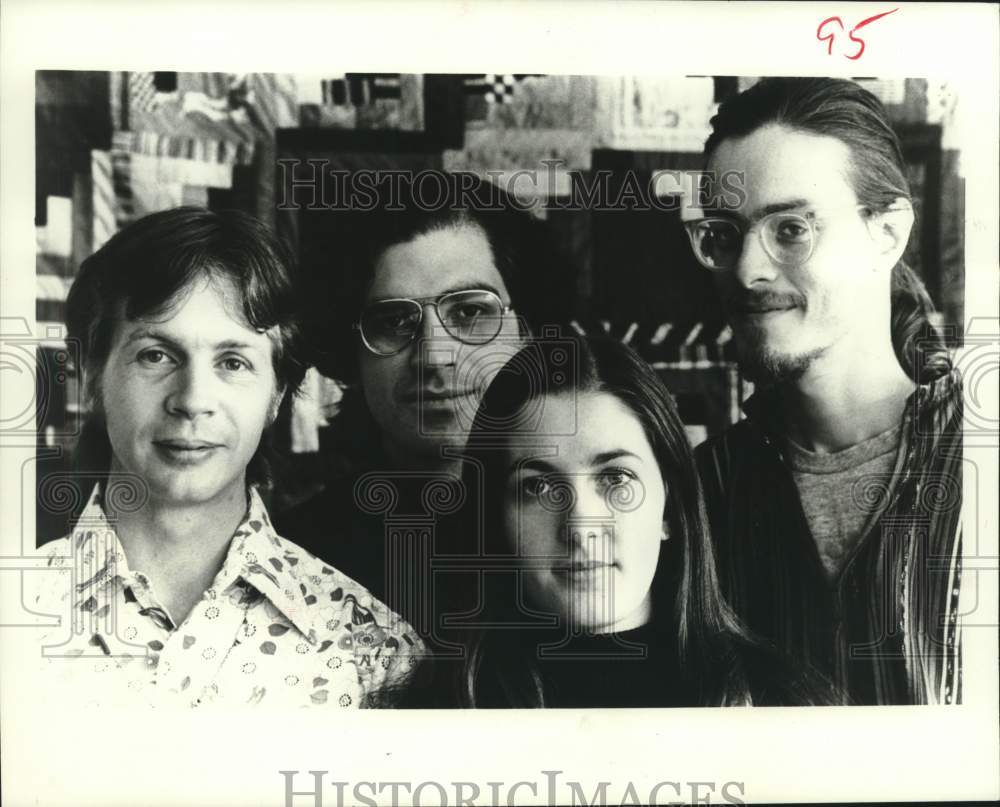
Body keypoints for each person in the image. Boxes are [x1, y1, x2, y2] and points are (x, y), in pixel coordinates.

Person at [29, 207, 422, 708]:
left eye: (233, 362)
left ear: (277, 394)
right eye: (156, 355)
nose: (192, 400)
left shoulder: (376, 656)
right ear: (91, 377)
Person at [686, 78, 963, 705]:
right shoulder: (701, 492)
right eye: (724, 235)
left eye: (791, 229)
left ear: (886, 234)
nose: (748, 270)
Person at [401, 334, 835, 708]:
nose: (581, 525)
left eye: (615, 478)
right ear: (496, 518)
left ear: (670, 507)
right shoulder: (439, 715)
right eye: (539, 487)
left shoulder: (782, 707)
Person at [275, 174, 571, 635]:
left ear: (527, 331)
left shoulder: (590, 529)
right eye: (393, 321)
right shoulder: (293, 560)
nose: (434, 355)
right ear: (352, 354)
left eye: (470, 312)